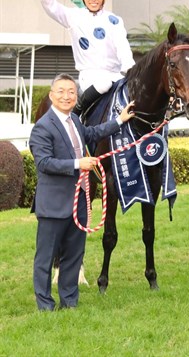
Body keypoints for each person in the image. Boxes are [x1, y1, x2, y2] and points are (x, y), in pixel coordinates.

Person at [29, 73, 135, 311]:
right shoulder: (42, 127)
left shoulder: (75, 121)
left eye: (71, 92)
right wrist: (79, 164)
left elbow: (93, 133)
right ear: (51, 95)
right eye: (61, 92)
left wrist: (119, 121)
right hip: (53, 205)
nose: (66, 96)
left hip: (78, 201)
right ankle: (45, 305)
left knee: (74, 255)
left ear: (76, 96)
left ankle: (70, 301)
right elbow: (44, 163)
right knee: (45, 259)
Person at [40, 0, 135, 114]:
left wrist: (131, 71)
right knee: (104, 84)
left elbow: (123, 47)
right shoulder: (73, 16)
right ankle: (76, 116)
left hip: (116, 76)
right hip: (90, 77)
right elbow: (48, 3)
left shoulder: (115, 21)